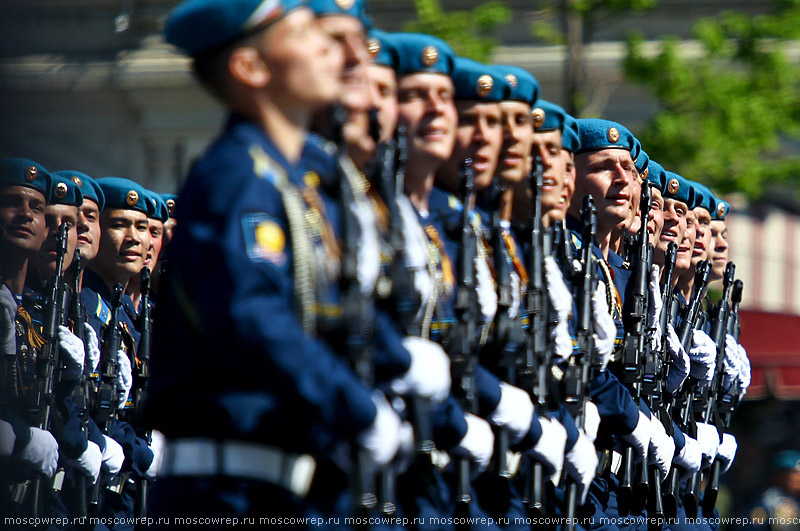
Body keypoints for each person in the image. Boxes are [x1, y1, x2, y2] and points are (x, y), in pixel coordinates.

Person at [147, 0, 401, 526]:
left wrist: (400, 364)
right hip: (230, 493)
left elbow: (330, 310)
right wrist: (355, 406)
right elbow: (251, 314)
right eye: (306, 33)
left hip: (286, 487)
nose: (330, 47)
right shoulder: (238, 176)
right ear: (251, 68)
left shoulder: (293, 181)